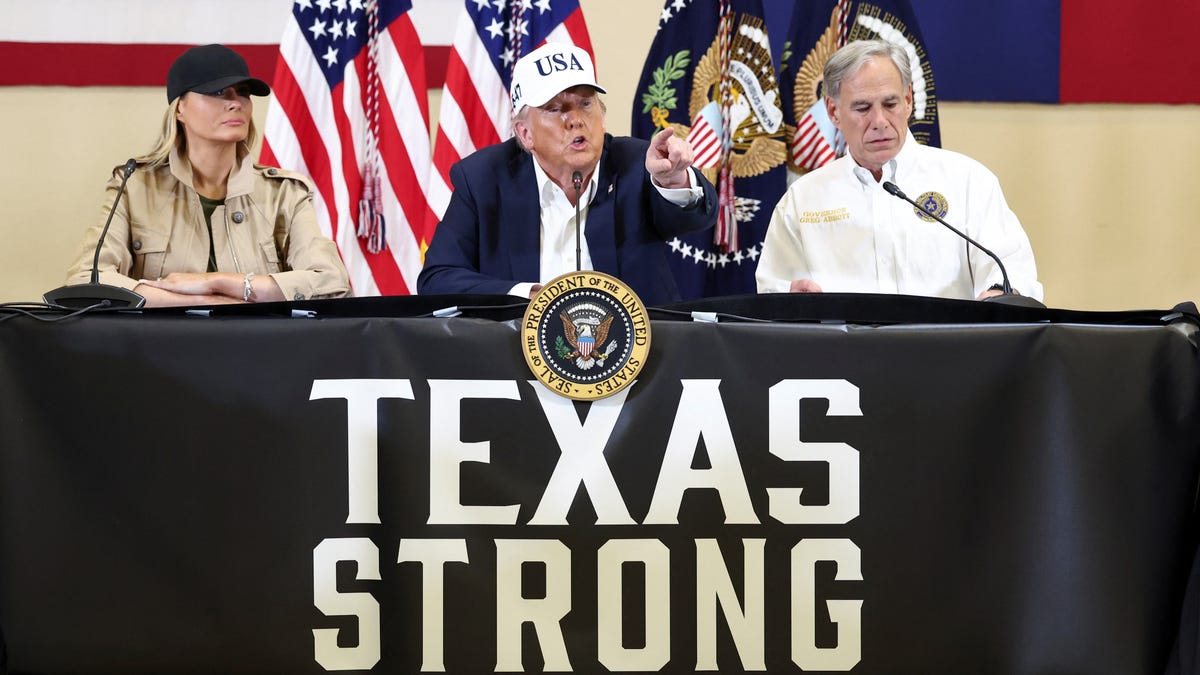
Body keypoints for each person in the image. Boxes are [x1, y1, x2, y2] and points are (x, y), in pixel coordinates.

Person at [416, 42, 717, 306]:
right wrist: (530, 297)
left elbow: (696, 218)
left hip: (639, 356)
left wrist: (672, 179)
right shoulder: (483, 179)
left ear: (602, 118)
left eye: (586, 104)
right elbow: (438, 279)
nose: (575, 120)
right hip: (519, 356)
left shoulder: (636, 163)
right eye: (555, 108)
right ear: (525, 133)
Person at [63, 44, 351, 306]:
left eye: (243, 93)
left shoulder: (284, 193)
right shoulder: (135, 187)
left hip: (260, 352)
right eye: (217, 92)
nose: (235, 102)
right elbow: (87, 279)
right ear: (180, 109)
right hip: (159, 354)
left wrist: (217, 282)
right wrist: (209, 303)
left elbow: (332, 283)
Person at [756, 39, 1042, 301]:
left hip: (948, 351)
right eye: (863, 108)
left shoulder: (967, 181)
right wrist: (790, 297)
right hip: (843, 354)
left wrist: (999, 294)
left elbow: (1010, 269)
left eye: (890, 103)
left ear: (908, 100)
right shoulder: (803, 198)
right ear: (833, 112)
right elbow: (772, 288)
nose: (880, 120)